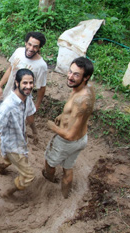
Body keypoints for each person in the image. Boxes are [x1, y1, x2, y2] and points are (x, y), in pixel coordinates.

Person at [42, 57, 95, 198]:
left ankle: (49, 180)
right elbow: (77, 114)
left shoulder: (81, 101)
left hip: (67, 141)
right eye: (70, 72)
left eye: (76, 74)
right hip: (81, 139)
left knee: (49, 163)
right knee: (68, 168)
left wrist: (53, 127)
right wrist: (63, 115)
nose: (70, 77)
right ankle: (65, 196)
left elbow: (70, 135)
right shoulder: (87, 88)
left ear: (86, 77)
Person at [0, 69, 38, 197]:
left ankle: (1, 168)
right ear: (17, 83)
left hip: (19, 140)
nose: (28, 86)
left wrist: (35, 131)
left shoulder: (27, 97)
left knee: (6, 160)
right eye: (25, 83)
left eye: (31, 83)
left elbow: (30, 114)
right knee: (28, 176)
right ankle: (8, 193)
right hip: (13, 146)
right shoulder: (8, 106)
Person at [0, 32, 47, 110]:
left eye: (35, 47)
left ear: (39, 48)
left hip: (20, 104)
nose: (31, 49)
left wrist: (36, 106)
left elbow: (42, 88)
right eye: (29, 44)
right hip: (6, 96)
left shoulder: (41, 66)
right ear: (25, 43)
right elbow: (10, 69)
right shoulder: (18, 52)